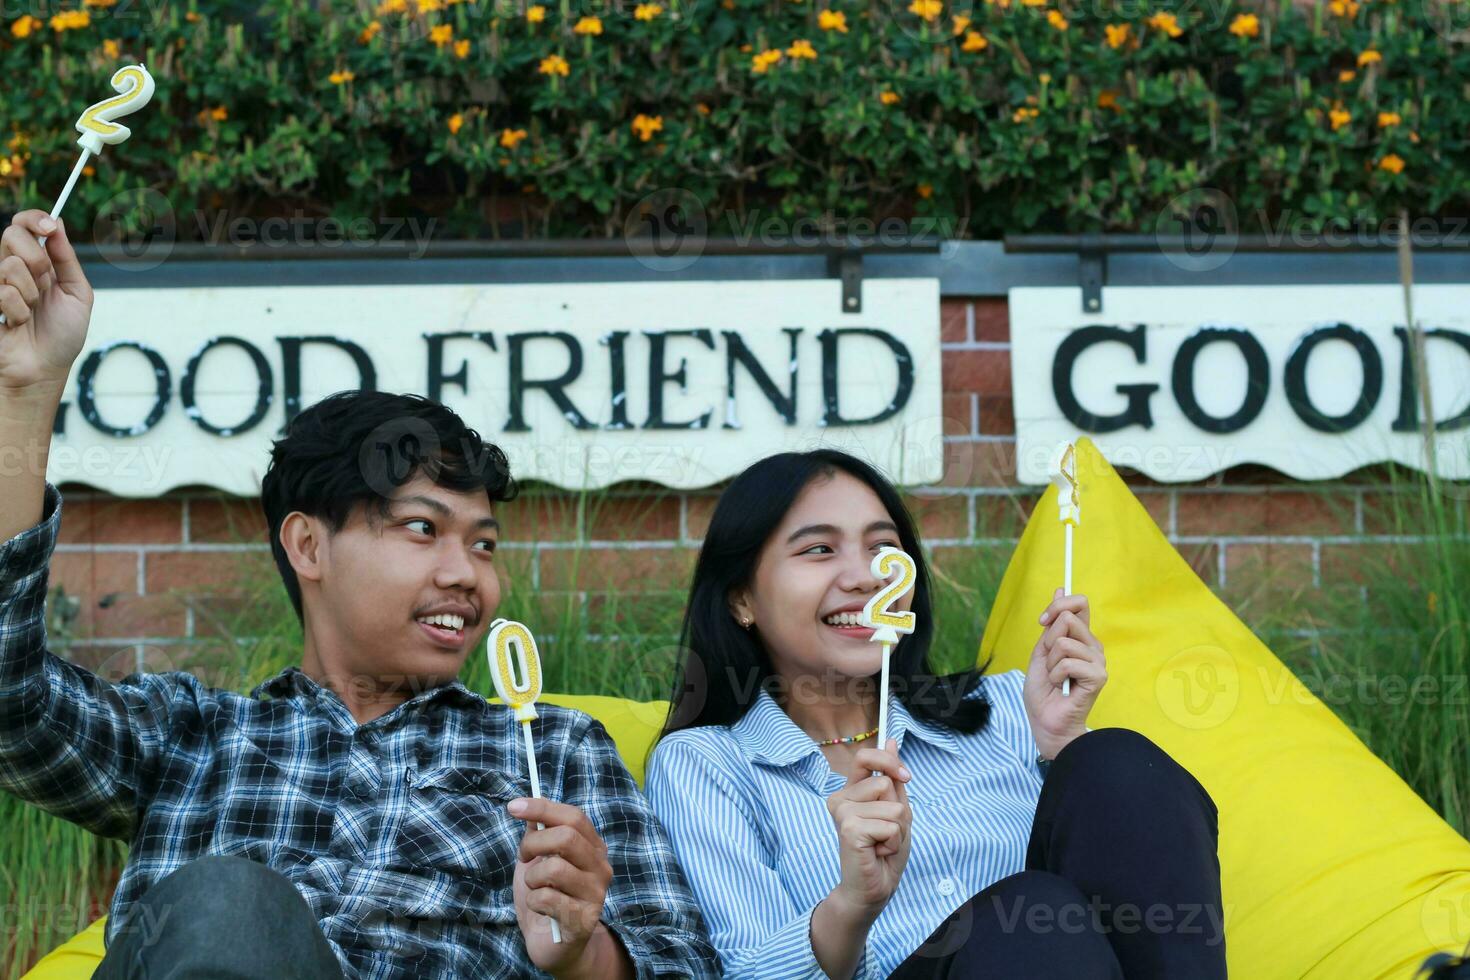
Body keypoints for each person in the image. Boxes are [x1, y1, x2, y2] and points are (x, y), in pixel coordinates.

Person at [0, 209, 718, 979]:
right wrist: (25, 394)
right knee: (229, 906)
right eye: (421, 529)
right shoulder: (192, 737)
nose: (466, 573)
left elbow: (684, 964)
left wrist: (584, 951)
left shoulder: (553, 750)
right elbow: (13, 706)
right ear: (309, 546)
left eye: (483, 543)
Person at [643, 449, 1226, 979]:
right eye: (818, 549)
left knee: (1115, 763)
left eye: (881, 548)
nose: (866, 576)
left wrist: (1061, 743)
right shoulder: (708, 764)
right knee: (1027, 918)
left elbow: (1135, 884)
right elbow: (742, 970)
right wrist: (851, 904)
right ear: (741, 598)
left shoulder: (1009, 707)